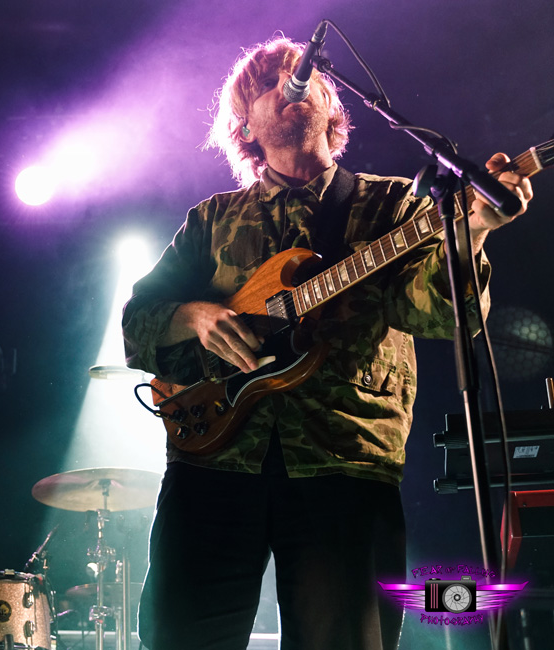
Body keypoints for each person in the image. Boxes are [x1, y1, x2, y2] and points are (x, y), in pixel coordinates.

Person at [121, 37, 533, 649]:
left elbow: (431, 311)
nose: (291, 83)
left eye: (302, 75)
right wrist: (198, 316)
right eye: (268, 82)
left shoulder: (394, 204)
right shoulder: (212, 219)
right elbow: (138, 324)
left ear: (332, 106)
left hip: (345, 457)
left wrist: (470, 231)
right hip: (211, 457)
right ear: (245, 127)